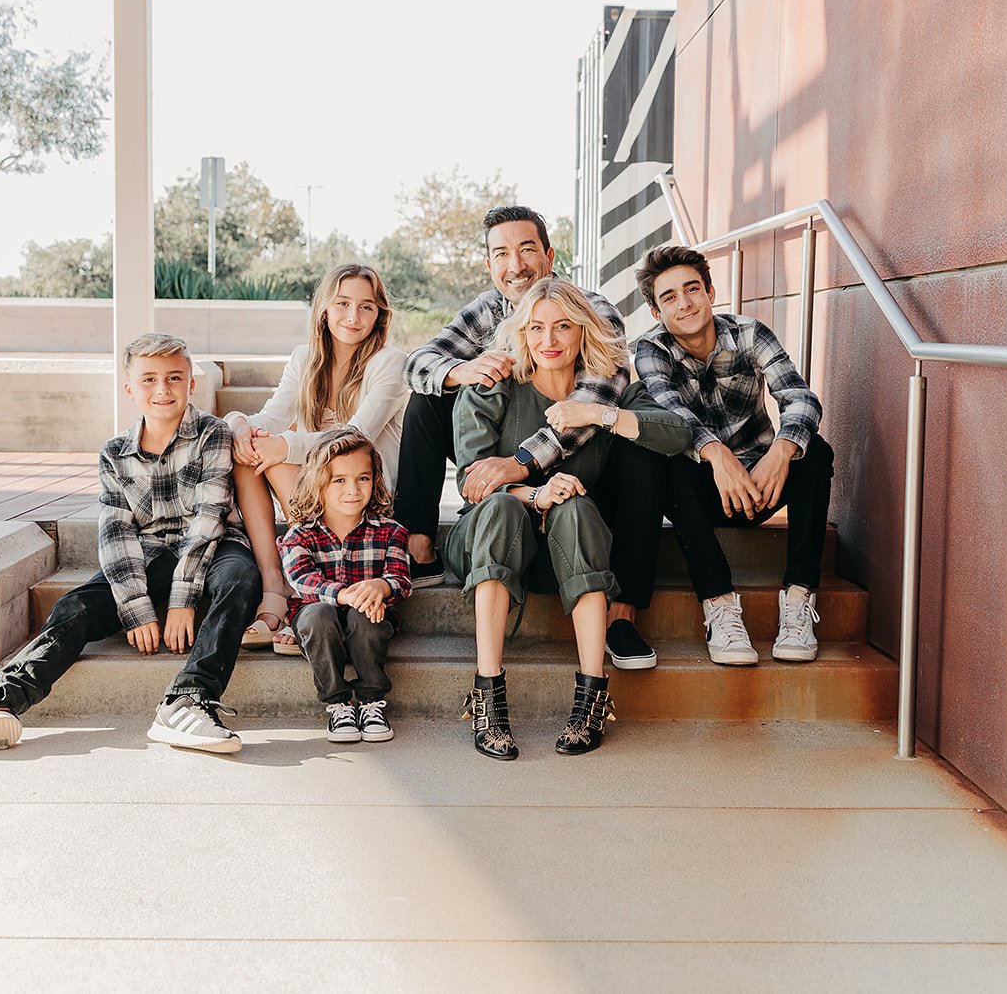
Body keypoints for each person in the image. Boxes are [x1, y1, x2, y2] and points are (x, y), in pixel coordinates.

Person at [0, 332, 261, 755]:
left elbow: (208, 520)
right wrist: (136, 607)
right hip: (151, 553)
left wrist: (181, 600)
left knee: (240, 577)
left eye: (175, 378)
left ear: (191, 383)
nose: (162, 390)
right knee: (74, 606)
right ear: (129, 389)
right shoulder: (115, 452)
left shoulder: (212, 434)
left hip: (213, 547)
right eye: (149, 380)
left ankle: (188, 701)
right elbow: (117, 533)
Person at [397, 206, 668, 672]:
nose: (515, 264)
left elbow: (592, 400)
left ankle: (623, 613)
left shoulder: (587, 307)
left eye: (526, 249)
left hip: (585, 464)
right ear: (488, 264)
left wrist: (519, 463)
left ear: (549, 254)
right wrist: (463, 370)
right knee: (426, 401)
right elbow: (417, 363)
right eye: (501, 253)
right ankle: (420, 549)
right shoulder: (486, 310)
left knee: (640, 449)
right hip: (502, 446)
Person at [444, 280, 691, 760]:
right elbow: (472, 484)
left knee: (576, 507)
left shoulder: (604, 389)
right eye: (536, 327)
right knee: (500, 505)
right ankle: (487, 697)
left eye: (562, 326)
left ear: (583, 332)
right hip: (488, 542)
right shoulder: (493, 386)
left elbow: (676, 433)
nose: (548, 339)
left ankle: (592, 697)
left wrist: (599, 415)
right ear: (522, 332)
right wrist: (536, 493)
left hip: (569, 551)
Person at [632, 246, 835, 665]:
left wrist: (782, 448)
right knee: (666, 458)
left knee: (815, 451)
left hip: (762, 483)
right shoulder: (651, 350)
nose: (684, 303)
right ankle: (720, 605)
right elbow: (673, 414)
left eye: (692, 289)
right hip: (700, 492)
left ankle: (798, 601)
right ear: (656, 312)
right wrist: (716, 453)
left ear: (710, 291)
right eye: (669, 297)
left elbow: (800, 397)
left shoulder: (750, 333)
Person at [227, 264, 407, 655]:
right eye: (342, 304)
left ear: (379, 315)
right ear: (324, 308)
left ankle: (307, 598)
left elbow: (355, 438)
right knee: (250, 453)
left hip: (366, 489)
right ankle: (276, 584)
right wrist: (238, 424)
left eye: (366, 307)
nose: (353, 317)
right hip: (317, 493)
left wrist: (285, 446)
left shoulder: (389, 361)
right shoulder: (305, 357)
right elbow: (269, 417)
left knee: (275, 455)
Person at [278, 427, 412, 743]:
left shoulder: (390, 531)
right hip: (319, 620)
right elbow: (301, 580)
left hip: (369, 618)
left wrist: (381, 587)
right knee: (317, 614)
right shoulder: (300, 534)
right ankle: (338, 703)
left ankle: (371, 700)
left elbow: (401, 579)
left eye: (362, 478)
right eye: (339, 480)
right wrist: (343, 594)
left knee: (367, 612)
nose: (352, 489)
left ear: (374, 479)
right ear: (318, 483)